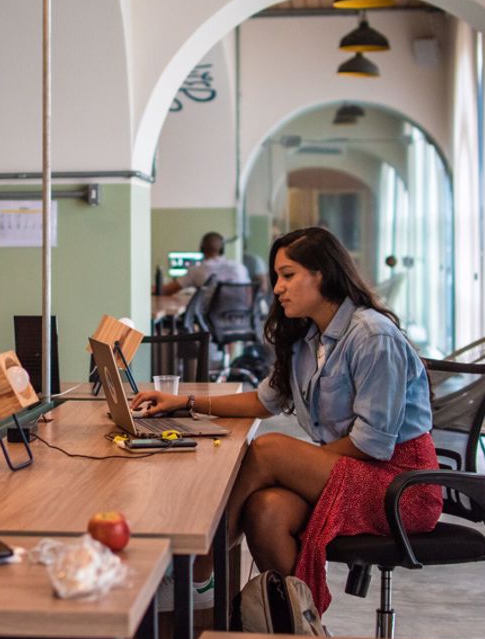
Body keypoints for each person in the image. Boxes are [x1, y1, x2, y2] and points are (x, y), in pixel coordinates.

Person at [134, 226, 442, 613]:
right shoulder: (310, 337)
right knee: (265, 510)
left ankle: (195, 574)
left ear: (322, 274)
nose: (277, 287)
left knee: (268, 450)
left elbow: (373, 443)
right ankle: (301, 629)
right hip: (351, 471)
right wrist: (183, 402)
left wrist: (298, 465)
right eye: (278, 276)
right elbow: (264, 401)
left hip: (401, 485)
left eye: (288, 275)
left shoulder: (372, 336)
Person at [161, 231, 249, 295]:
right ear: (222, 249)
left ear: (202, 249)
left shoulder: (196, 271)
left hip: (210, 319)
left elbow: (166, 290)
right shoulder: (240, 267)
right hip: (242, 318)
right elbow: (249, 294)